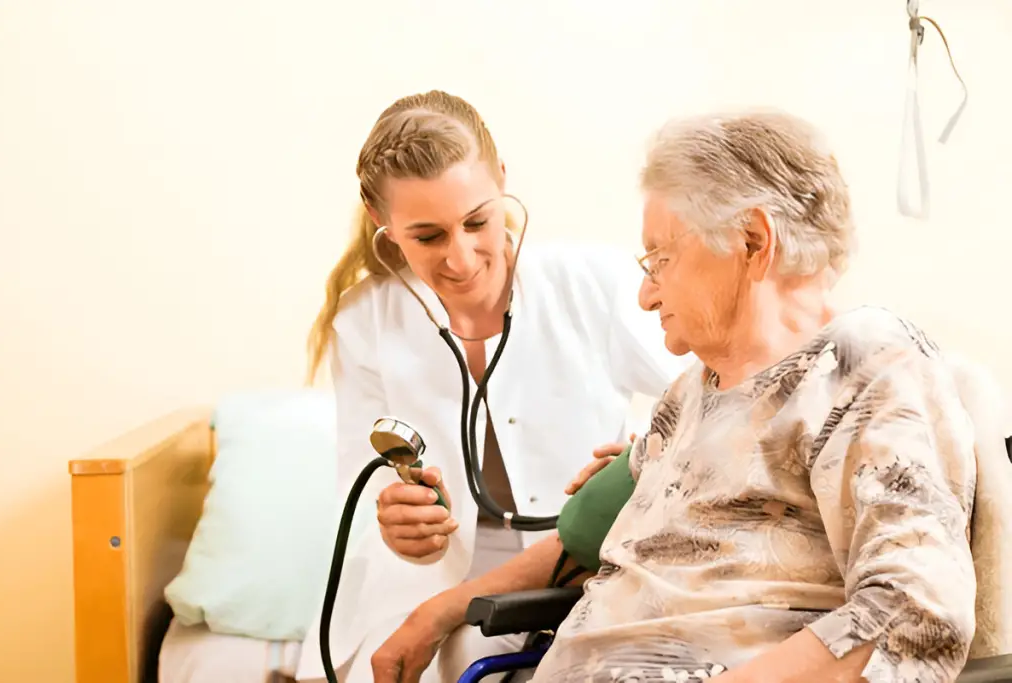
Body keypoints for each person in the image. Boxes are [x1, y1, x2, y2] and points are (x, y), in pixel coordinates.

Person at [369, 110, 979, 683]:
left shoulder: (858, 364)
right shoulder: (688, 396)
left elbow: (914, 612)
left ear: (752, 242)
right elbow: (581, 541)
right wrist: (438, 611)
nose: (645, 295)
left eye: (661, 258)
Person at [291, 90, 693, 683]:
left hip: (573, 563)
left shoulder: (592, 283)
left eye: (477, 221)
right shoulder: (364, 320)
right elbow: (365, 479)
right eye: (427, 237)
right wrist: (398, 523)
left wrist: (645, 454)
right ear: (383, 221)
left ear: (502, 178)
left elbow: (717, 399)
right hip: (421, 583)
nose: (461, 258)